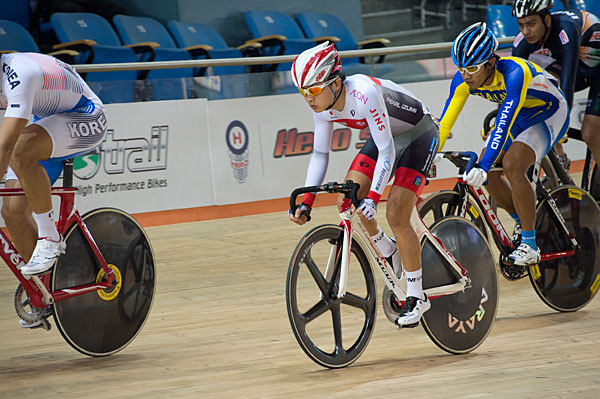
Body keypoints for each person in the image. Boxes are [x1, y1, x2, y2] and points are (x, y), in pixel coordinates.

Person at [288, 42, 439, 328]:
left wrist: (373, 197)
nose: (309, 98)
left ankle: (417, 296)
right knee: (347, 199)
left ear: (334, 83)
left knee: (396, 213)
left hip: (420, 133)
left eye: (314, 90)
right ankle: (388, 248)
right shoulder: (321, 105)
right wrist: (306, 201)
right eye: (303, 92)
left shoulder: (364, 94)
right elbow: (320, 154)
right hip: (388, 137)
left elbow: (387, 152)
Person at [438, 22, 570, 266]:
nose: (466, 75)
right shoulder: (463, 80)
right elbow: (444, 124)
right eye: (461, 68)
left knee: (512, 163)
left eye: (473, 68)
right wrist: (430, 154)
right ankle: (522, 222)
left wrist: (486, 163)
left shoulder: (514, 73)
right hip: (523, 115)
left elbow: (504, 123)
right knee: (484, 170)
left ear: (490, 62)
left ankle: (530, 246)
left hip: (550, 111)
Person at [0, 52, 107, 313]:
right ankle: (44, 291)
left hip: (86, 115)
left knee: (20, 150)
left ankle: (50, 236)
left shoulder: (19, 74)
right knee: (12, 213)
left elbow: (7, 142)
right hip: (47, 121)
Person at [512, 0, 600, 172]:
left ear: (547, 20)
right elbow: (513, 87)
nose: (525, 31)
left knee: (591, 133)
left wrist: (561, 126)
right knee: (539, 86)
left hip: (594, 69)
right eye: (521, 25)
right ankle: (560, 157)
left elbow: (568, 79)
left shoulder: (566, 29)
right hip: (581, 66)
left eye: (531, 24)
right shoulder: (521, 41)